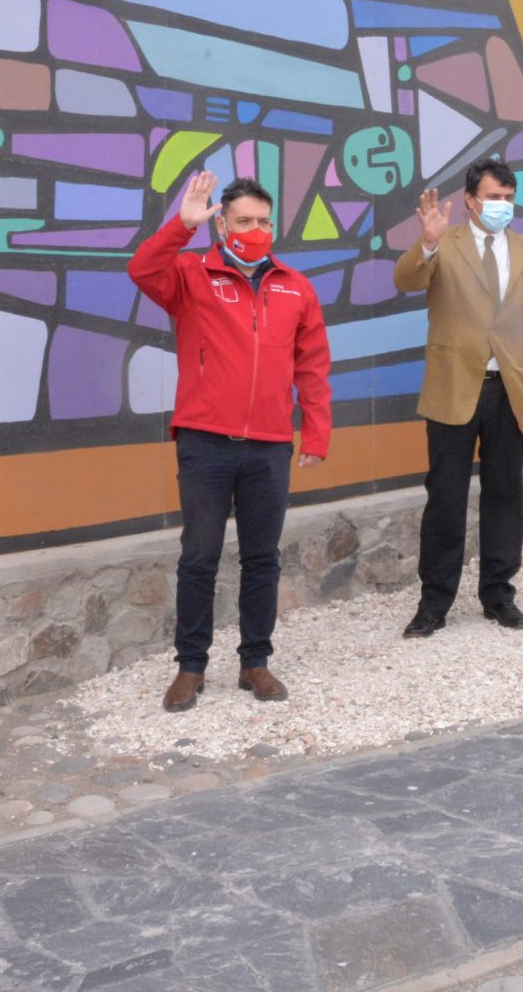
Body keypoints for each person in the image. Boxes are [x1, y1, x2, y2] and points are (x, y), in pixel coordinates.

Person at [128, 170, 330, 713]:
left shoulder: (295, 286)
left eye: (264, 221)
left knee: (262, 558)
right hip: (205, 441)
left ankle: (255, 663)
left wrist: (316, 431)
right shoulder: (192, 274)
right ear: (222, 223)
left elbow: (312, 366)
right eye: (245, 220)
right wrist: (180, 227)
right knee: (199, 557)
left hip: (268, 445)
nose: (257, 229)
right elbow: (141, 268)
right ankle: (190, 668)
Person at [395, 159, 523, 637]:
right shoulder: (444, 245)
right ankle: (434, 603)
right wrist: (427, 241)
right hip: (453, 388)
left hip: (509, 391)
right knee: (446, 500)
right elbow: (406, 281)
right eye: (494, 197)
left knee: (504, 497)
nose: (502, 206)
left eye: (509, 198)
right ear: (471, 199)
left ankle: (498, 594)